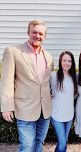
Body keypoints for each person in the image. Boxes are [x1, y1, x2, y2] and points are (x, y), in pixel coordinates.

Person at [0, 19, 53, 152]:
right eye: (34, 32)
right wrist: (6, 107)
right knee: (27, 146)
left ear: (45, 36)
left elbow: (46, 82)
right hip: (24, 109)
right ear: (28, 32)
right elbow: (6, 81)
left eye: (41, 34)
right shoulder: (13, 52)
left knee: (39, 143)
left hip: (45, 110)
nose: (37, 36)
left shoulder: (49, 56)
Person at [50, 51, 77, 152]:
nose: (67, 63)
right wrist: (46, 94)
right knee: (62, 142)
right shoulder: (53, 76)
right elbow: (43, 88)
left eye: (69, 61)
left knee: (64, 142)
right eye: (64, 60)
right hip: (56, 114)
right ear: (60, 62)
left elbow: (75, 95)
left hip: (69, 114)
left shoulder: (75, 77)